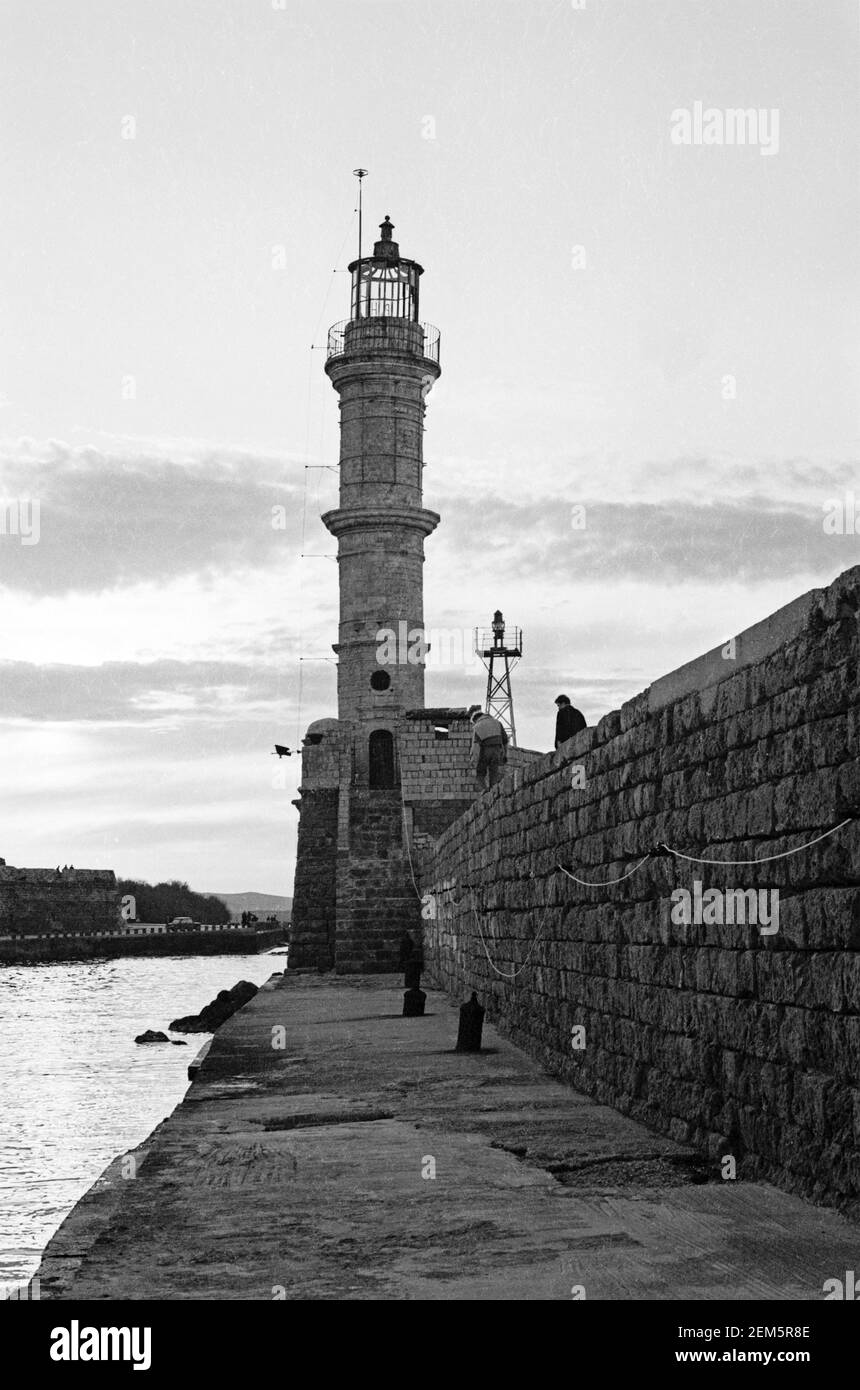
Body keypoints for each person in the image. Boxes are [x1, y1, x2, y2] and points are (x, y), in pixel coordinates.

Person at [470, 708, 508, 790]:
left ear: (476, 719)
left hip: (485, 750)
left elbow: (475, 746)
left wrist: (473, 760)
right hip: (497, 750)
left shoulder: (477, 726)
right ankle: (493, 792)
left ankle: (485, 791)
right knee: (494, 773)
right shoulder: (497, 723)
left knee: (480, 774)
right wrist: (505, 754)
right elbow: (505, 741)